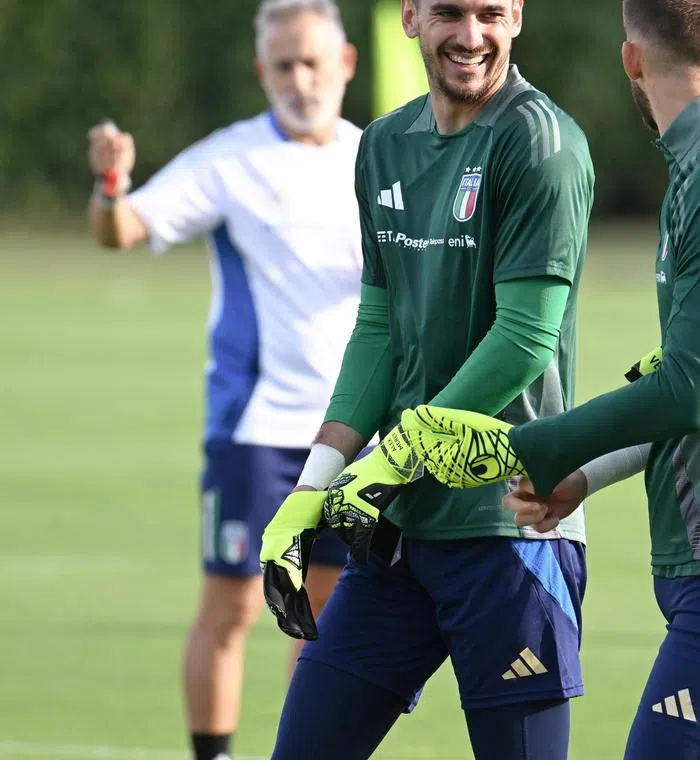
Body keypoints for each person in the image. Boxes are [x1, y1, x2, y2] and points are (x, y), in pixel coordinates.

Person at [397, 0, 700, 758]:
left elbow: (689, 390)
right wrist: (586, 471)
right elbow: (697, 377)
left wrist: (534, 448)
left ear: (631, 61)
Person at [256, 0, 595, 758]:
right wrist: (313, 486)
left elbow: (525, 337)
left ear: (517, 16)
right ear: (410, 16)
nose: (470, 36)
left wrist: (393, 457)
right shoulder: (382, 145)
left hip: (510, 530)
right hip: (401, 536)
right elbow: (379, 333)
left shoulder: (540, 142)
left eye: (488, 14)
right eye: (448, 12)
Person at [85, 2, 361, 759]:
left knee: (327, 613)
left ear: (346, 64)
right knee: (235, 606)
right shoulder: (229, 160)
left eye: (312, 62)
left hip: (353, 435)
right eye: (283, 65)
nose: (299, 80)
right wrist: (111, 185)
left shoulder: (379, 160)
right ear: (260, 72)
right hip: (257, 431)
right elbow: (124, 230)